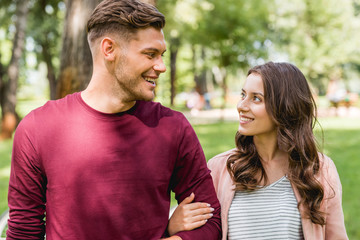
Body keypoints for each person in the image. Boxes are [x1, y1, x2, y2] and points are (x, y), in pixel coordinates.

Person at [6, 0, 221, 239]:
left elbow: (210, 222)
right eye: (150, 54)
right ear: (109, 49)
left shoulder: (174, 127)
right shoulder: (38, 129)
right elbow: (23, 232)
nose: (161, 66)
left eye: (161, 55)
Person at [168, 62, 348, 239]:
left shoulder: (319, 169)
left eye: (256, 98)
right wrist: (172, 226)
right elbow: (202, 229)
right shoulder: (220, 168)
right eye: (243, 95)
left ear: (285, 107)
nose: (241, 106)